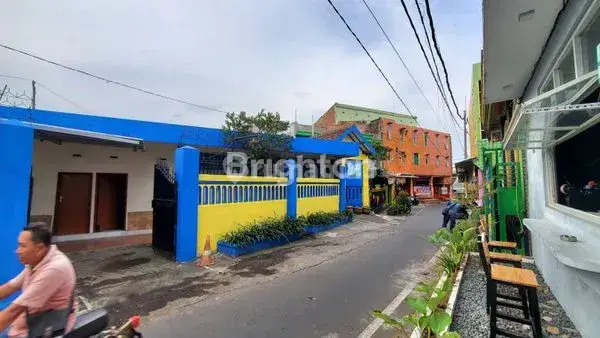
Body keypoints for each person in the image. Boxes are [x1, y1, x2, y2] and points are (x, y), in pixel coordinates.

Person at [0, 223, 76, 338]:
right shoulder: (37, 261)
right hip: (31, 320)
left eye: (22, 246)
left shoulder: (54, 269)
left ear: (39, 248)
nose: (17, 251)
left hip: (47, 327)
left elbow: (13, 311)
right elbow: (10, 287)